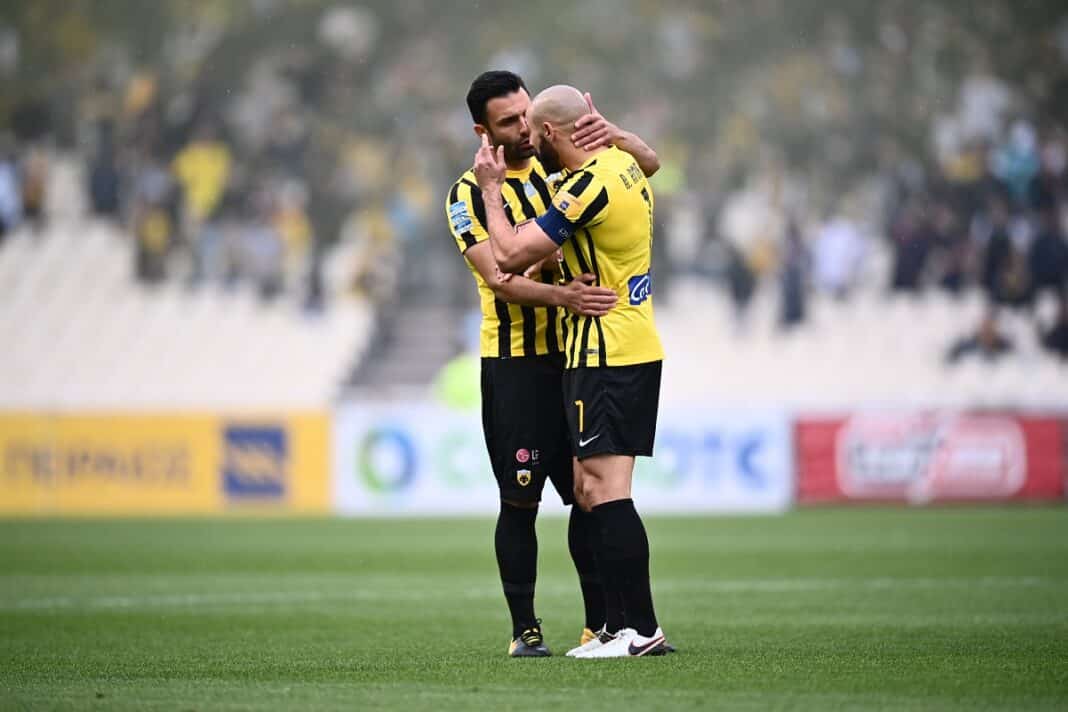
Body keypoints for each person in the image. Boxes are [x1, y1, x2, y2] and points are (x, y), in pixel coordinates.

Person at [447, 71, 659, 658]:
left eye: (525, 115)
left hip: (573, 355)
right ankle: (526, 630)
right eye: (508, 122)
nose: (522, 129)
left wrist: (615, 134)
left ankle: (603, 625)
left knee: (587, 494)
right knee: (519, 501)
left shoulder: (558, 166)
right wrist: (563, 294)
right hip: (515, 366)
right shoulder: (466, 195)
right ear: (483, 131)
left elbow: (635, 172)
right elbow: (500, 275)